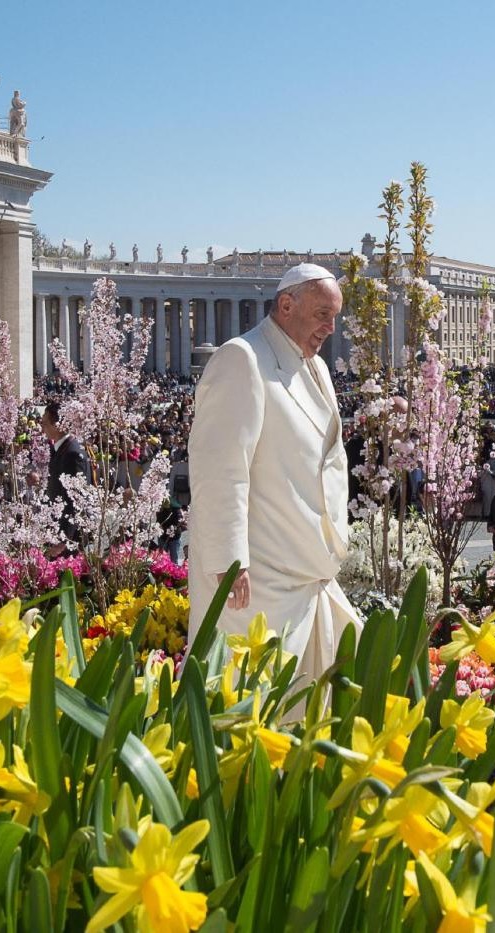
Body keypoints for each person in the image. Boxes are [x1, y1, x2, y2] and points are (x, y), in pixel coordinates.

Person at [187, 263, 359, 684]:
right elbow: (220, 470)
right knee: (252, 712)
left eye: (335, 317)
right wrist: (230, 562)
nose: (331, 328)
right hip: (257, 580)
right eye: (323, 315)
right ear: (286, 304)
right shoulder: (242, 359)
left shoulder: (314, 365)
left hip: (306, 569)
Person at [41, 399, 91, 551]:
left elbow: (74, 497)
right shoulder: (61, 449)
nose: (42, 427)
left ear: (58, 425)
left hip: (69, 539)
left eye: (45, 423)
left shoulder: (72, 453)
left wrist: (64, 539)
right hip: (56, 528)